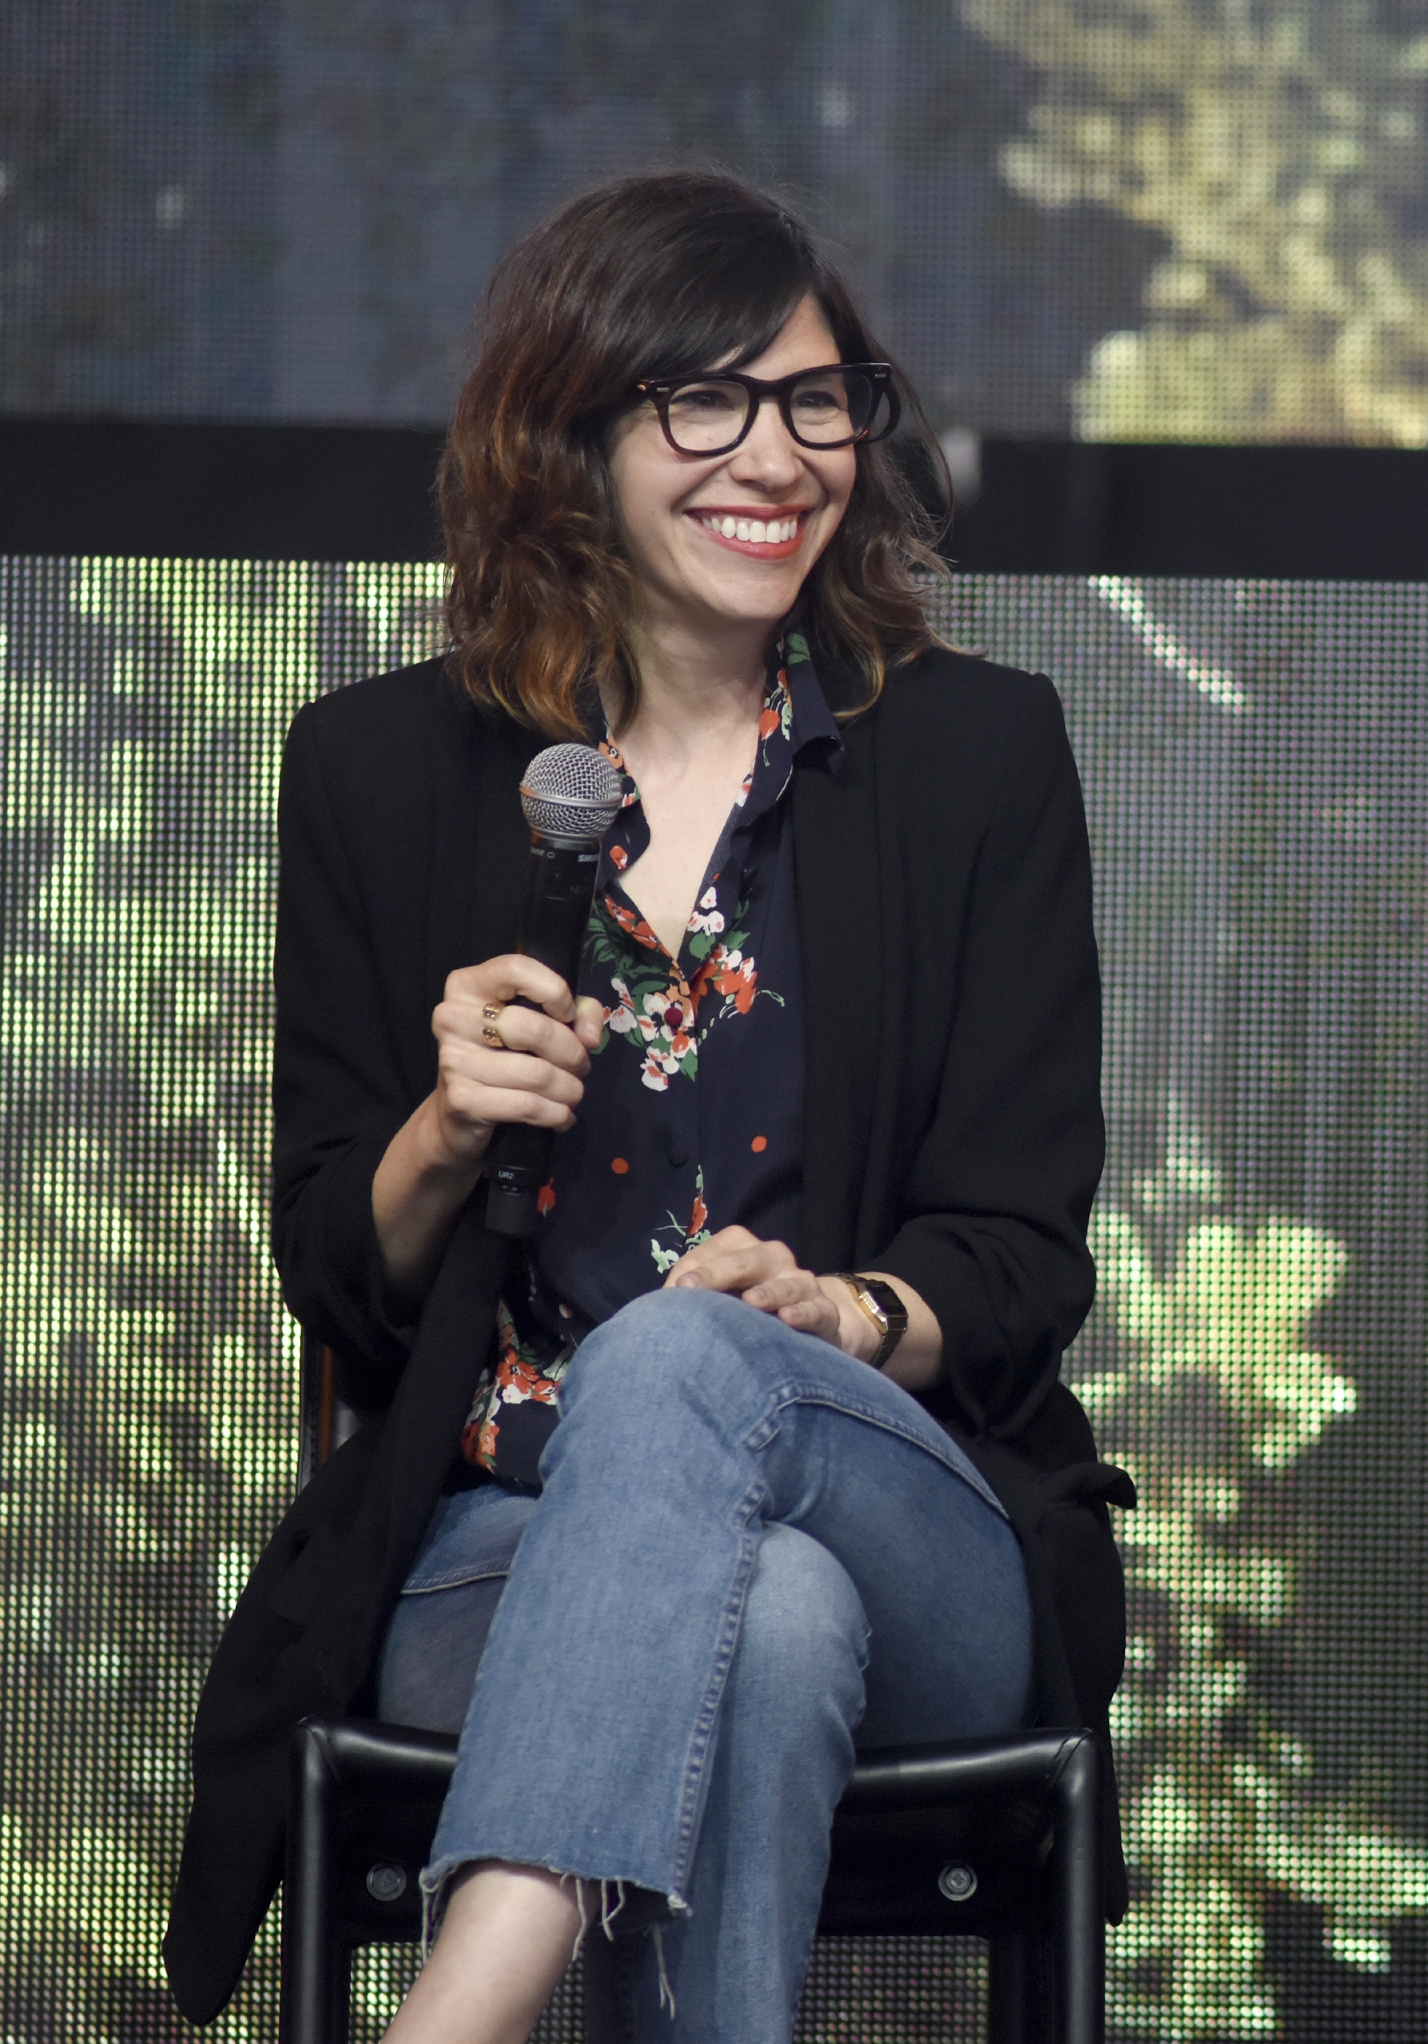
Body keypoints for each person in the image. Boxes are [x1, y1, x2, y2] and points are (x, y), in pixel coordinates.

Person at [161, 171, 1121, 2042]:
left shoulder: (976, 756)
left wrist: (848, 1321)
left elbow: (1018, 1261)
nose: (779, 456)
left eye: (819, 401)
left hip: (908, 1517)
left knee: (686, 1362)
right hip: (499, 1548)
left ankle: (466, 1999)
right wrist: (442, 1136)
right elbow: (340, 1293)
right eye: (710, 402)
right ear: (569, 434)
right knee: (759, 1632)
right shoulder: (377, 771)